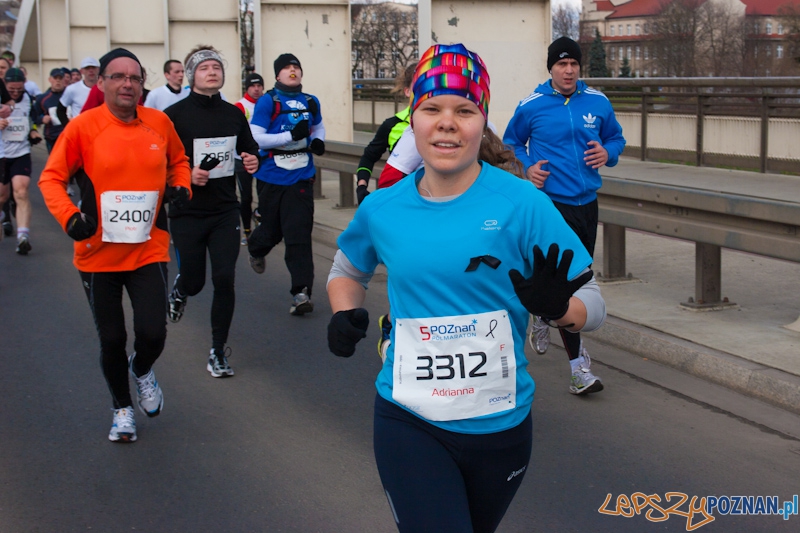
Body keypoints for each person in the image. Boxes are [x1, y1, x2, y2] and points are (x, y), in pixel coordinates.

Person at [326, 43, 605, 533]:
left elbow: (595, 304)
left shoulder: (524, 204)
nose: (447, 122)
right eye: (431, 108)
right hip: (408, 417)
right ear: (413, 120)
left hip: (501, 427)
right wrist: (342, 311)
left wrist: (561, 309)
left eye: (465, 110)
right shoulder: (383, 208)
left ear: (483, 121)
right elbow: (346, 270)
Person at [38, 48, 192, 442]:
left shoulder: (159, 122)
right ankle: (121, 409)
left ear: (143, 84)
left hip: (149, 248)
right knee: (111, 339)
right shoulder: (84, 127)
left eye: (135, 78)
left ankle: (141, 369)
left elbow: (180, 161)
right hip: (97, 254)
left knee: (153, 333)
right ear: (102, 82)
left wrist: (181, 186)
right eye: (118, 77)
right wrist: (71, 218)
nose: (127, 84)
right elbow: (51, 179)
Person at [503, 36, 625, 395]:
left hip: (587, 204)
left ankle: (543, 314)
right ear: (551, 68)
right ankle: (578, 370)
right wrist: (527, 167)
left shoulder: (598, 102)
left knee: (578, 281)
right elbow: (510, 143)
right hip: (550, 207)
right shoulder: (532, 105)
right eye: (561, 64)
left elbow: (617, 139)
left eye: (573, 64)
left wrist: (608, 152)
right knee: (574, 283)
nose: (568, 70)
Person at [164, 45, 260, 378]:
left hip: (223, 209)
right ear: (191, 76)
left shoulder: (233, 114)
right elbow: (158, 163)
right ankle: (180, 289)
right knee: (195, 280)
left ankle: (217, 351)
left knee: (224, 278)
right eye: (204, 68)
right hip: (187, 210)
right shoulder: (173, 116)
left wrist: (251, 160)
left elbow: (249, 149)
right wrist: (185, 174)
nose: (212, 72)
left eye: (217, 67)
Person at [247, 53, 324, 315]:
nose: (293, 71)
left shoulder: (311, 101)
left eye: (296, 67)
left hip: (301, 175)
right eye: (287, 68)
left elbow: (318, 127)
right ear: (278, 74)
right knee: (272, 230)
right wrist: (290, 134)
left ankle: (301, 292)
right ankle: (256, 247)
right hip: (271, 176)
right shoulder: (268, 102)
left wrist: (317, 141)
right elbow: (256, 137)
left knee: (298, 233)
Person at [355, 66, 413, 205]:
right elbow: (368, 156)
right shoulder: (391, 125)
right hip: (398, 201)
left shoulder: (442, 126)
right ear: (407, 91)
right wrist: (362, 186)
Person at [0, 68, 43, 255]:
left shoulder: (27, 99)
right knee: (2, 196)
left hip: (21, 151)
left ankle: (23, 236)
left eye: (19, 88)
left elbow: (32, 119)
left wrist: (33, 130)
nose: (15, 92)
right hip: (1, 153)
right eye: (11, 89)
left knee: (21, 191)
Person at [233, 72, 264, 245]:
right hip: (242, 158)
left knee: (264, 194)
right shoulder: (240, 106)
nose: (256, 89)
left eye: (259, 86)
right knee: (246, 197)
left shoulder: (266, 104)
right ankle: (246, 231)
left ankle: (259, 215)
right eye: (253, 86)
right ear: (247, 88)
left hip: (261, 157)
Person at [57, 57, 100, 124]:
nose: (91, 70)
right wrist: (68, 126)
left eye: (93, 68)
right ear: (81, 71)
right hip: (81, 129)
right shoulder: (72, 89)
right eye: (87, 68)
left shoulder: (106, 88)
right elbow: (60, 110)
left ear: (98, 69)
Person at [34, 68, 68, 153]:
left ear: (64, 80)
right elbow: (34, 116)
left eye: (60, 78)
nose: (58, 81)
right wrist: (42, 119)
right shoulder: (43, 98)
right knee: (55, 163)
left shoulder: (70, 94)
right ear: (50, 79)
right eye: (55, 78)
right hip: (52, 137)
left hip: (69, 135)